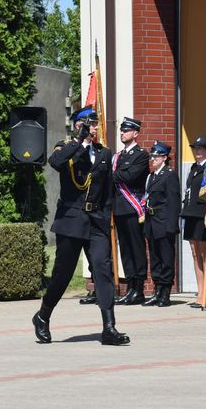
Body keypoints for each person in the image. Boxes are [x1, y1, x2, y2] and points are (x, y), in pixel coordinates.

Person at [32, 107, 129, 346]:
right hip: (72, 220)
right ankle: (43, 316)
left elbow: (107, 192)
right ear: (79, 125)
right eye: (91, 124)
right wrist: (78, 140)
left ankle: (109, 327)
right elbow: (56, 162)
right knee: (62, 274)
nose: (95, 128)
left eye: (96, 125)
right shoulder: (65, 147)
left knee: (103, 271)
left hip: (96, 221)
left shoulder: (104, 153)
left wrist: (106, 221)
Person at [112, 116, 150, 306]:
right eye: (121, 130)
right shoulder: (118, 156)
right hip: (119, 208)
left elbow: (131, 176)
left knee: (136, 247)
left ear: (135, 133)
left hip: (133, 207)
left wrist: (112, 175)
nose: (122, 133)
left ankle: (139, 289)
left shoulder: (141, 155)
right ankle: (130, 288)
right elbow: (120, 176)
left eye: (126, 131)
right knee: (125, 250)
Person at [143, 141, 180, 307]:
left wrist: (171, 226)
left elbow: (174, 202)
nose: (153, 158)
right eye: (152, 155)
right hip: (152, 222)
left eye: (156, 156)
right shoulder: (152, 176)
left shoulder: (169, 175)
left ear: (164, 158)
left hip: (164, 221)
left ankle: (165, 293)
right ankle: (157, 291)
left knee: (166, 258)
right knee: (155, 257)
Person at [181, 135, 206, 308]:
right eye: (195, 149)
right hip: (191, 212)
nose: (197, 151)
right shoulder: (193, 168)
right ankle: (201, 290)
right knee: (194, 252)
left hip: (202, 213)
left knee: (204, 253)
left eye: (200, 148)